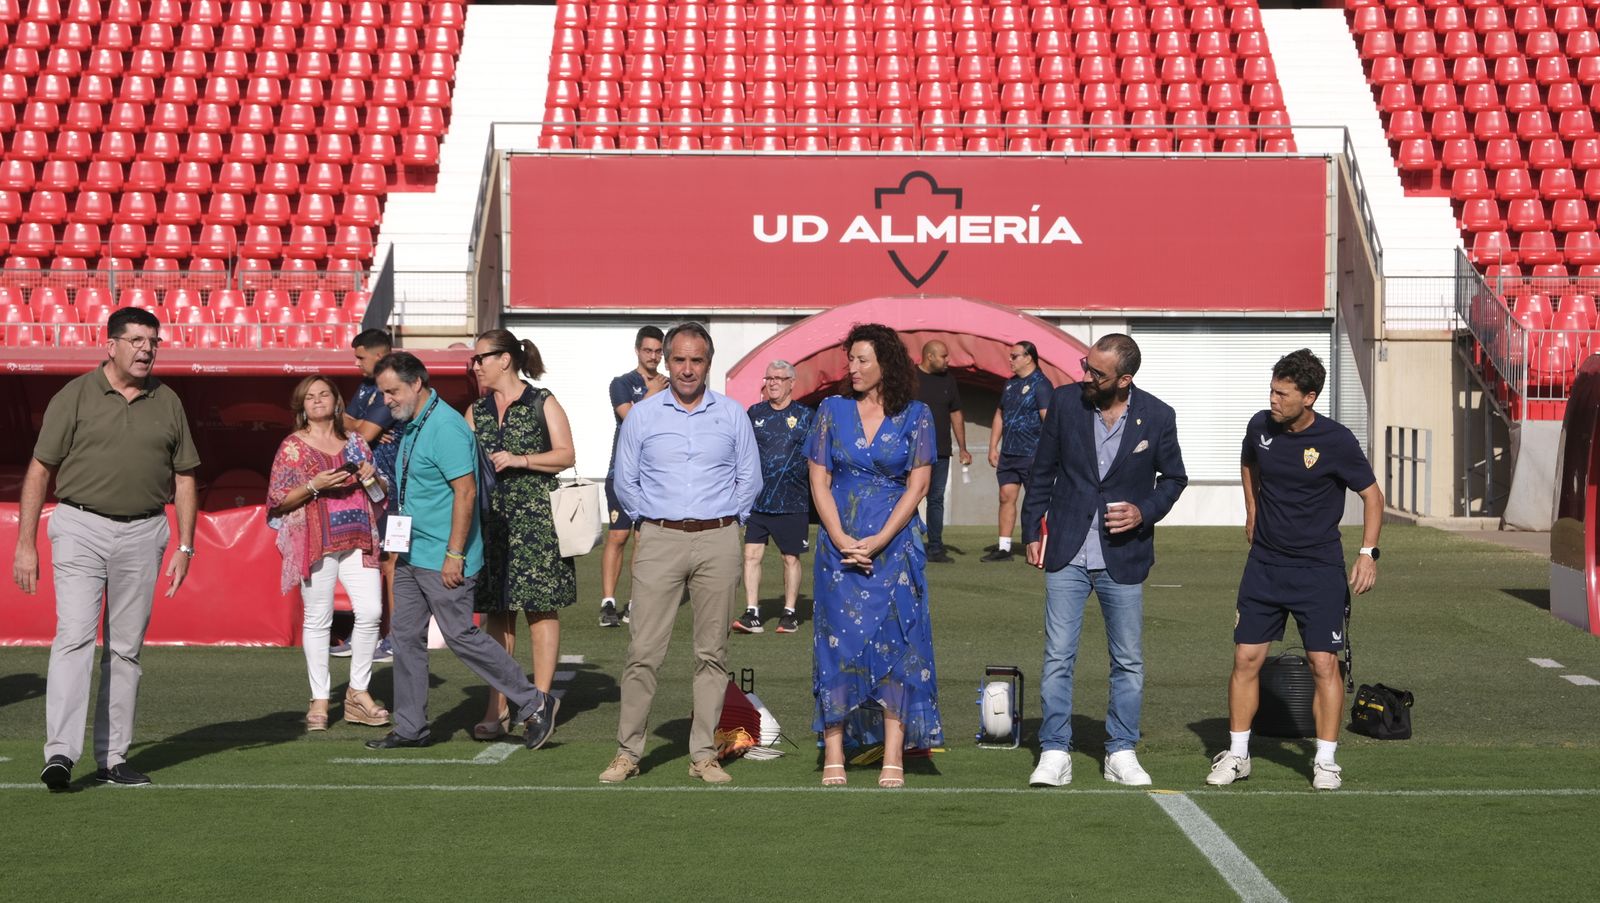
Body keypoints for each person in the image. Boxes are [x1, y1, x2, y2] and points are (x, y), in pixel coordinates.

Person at [15, 307, 199, 789]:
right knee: (74, 636)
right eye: (137, 340)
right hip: (78, 526)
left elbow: (184, 476)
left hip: (144, 533)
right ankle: (59, 755)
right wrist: (25, 544)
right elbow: (39, 470)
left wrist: (186, 545)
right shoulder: (72, 395)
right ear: (111, 344)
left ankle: (113, 758)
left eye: (153, 341)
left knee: (125, 649)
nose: (147, 349)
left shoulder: (169, 400)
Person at [1206, 349, 1384, 792]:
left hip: (1318, 569)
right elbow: (1249, 461)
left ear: (1310, 397)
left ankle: (1325, 761)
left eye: (1283, 394)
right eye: (1271, 390)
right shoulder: (1259, 427)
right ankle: (1239, 754)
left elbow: (1373, 496)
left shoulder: (1337, 441)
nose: (1273, 400)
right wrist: (1251, 508)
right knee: (1246, 658)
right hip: (1264, 565)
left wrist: (1367, 553)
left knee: (1323, 663)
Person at [365, 352, 559, 751]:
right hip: (412, 554)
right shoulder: (413, 425)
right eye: (383, 392)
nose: (386, 400)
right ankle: (410, 726)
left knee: (461, 635)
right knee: (404, 638)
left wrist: (455, 554)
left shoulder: (446, 427)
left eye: (392, 391)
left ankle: (533, 702)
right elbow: (415, 487)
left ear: (417, 383)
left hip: (443, 555)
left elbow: (466, 492)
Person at [1020, 335, 1187, 787]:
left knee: (1128, 660)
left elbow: (1174, 478)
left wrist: (1143, 511)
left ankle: (1121, 751)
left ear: (1125, 379)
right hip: (1067, 550)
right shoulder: (1065, 402)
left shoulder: (1157, 415)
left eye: (1097, 373)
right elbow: (1042, 472)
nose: (1086, 376)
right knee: (1057, 656)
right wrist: (1031, 529)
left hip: (1124, 555)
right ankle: (1055, 750)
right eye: (1086, 365)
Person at [600, 322, 761, 785]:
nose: (688, 369)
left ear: (708, 363)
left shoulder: (732, 415)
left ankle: (704, 755)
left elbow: (749, 478)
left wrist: (726, 521)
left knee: (712, 653)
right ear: (665, 362)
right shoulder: (643, 416)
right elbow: (625, 481)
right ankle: (628, 753)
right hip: (659, 539)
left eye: (697, 360)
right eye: (680, 360)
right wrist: (652, 521)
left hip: (718, 539)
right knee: (643, 651)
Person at [808, 323, 942, 789]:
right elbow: (819, 480)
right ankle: (835, 751)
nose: (854, 368)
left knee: (898, 649)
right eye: (851, 360)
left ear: (887, 363)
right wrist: (841, 538)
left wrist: (882, 538)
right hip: (837, 548)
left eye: (863, 359)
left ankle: (892, 755)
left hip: (896, 549)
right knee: (835, 647)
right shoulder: (830, 410)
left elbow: (918, 485)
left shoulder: (918, 414)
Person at [466, 329, 578, 741]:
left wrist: (521, 459)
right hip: (492, 522)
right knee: (497, 611)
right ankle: (497, 706)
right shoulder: (475, 411)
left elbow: (567, 454)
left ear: (505, 359)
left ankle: (540, 705)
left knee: (540, 609)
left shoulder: (541, 400)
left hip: (536, 521)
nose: (475, 366)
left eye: (481, 358)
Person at [266, 376, 391, 732]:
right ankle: (320, 697)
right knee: (318, 618)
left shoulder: (355, 442)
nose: (318, 400)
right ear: (301, 406)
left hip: (358, 538)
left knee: (371, 612)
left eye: (324, 394)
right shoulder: (292, 447)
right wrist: (313, 486)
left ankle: (358, 693)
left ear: (337, 401)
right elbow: (277, 500)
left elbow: (380, 495)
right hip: (314, 539)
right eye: (310, 397)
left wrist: (372, 477)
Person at [734, 359, 813, 635]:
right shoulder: (754, 412)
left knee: (790, 558)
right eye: (769, 378)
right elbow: (741, 452)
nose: (774, 382)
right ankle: (752, 612)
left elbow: (815, 457)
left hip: (792, 501)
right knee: (751, 555)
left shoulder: (806, 415)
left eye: (779, 378)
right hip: (758, 501)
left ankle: (789, 612)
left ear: (792, 382)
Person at [599, 325, 667, 628]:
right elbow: (631, 419)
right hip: (623, 472)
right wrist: (652, 395)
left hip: (654, 475)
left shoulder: (672, 383)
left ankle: (636, 601)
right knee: (618, 535)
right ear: (638, 350)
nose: (653, 356)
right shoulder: (622, 383)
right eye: (647, 350)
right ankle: (608, 602)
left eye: (657, 351)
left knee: (645, 539)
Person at [345, 328, 400, 663]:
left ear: (378, 355)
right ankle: (369, 633)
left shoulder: (391, 386)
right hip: (368, 485)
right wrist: (360, 427)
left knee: (392, 562)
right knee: (372, 558)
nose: (356, 363)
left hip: (392, 485)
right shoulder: (367, 386)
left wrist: (360, 428)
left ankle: (395, 637)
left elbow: (361, 432)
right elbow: (346, 422)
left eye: (360, 356)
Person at [985, 341, 1053, 562]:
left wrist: (1049, 452)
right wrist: (993, 446)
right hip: (1009, 454)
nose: (1010, 360)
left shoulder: (1041, 384)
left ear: (1029, 357)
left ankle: (1036, 545)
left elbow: (1048, 419)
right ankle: (1004, 548)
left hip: (1032, 454)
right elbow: (999, 414)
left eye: (1014, 356)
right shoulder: (1010, 384)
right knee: (1005, 497)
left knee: (1035, 501)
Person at [915, 340, 972, 563]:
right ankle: (904, 541)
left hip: (940, 451)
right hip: (913, 451)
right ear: (930, 356)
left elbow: (956, 413)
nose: (948, 361)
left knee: (935, 498)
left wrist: (963, 448)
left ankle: (935, 546)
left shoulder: (949, 380)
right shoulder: (910, 378)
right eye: (944, 356)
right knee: (907, 495)